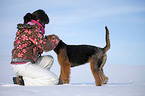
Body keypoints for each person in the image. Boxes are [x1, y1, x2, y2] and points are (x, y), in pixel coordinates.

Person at [11, 9, 59, 86]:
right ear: (39, 20)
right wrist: (55, 40)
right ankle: (23, 81)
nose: (44, 26)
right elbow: (46, 47)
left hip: (21, 63)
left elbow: (34, 46)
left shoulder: (27, 28)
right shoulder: (32, 29)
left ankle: (31, 80)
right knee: (53, 80)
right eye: (44, 23)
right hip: (23, 64)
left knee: (48, 59)